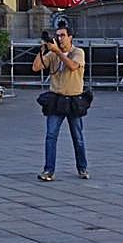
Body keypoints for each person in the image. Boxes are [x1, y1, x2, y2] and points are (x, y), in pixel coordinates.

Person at [31, 17, 89, 181]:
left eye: (63, 35)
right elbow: (35, 67)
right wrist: (43, 50)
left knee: (77, 137)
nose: (60, 38)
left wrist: (57, 52)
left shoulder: (78, 52)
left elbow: (72, 66)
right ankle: (49, 170)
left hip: (74, 99)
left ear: (70, 37)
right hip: (56, 99)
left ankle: (82, 167)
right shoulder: (53, 54)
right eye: (57, 35)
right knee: (51, 135)